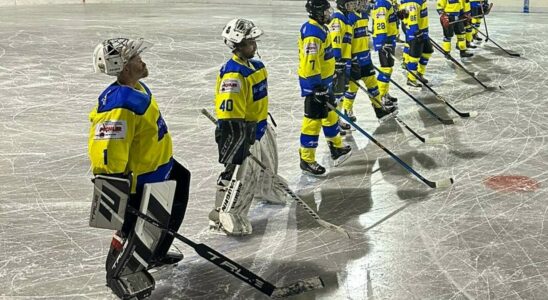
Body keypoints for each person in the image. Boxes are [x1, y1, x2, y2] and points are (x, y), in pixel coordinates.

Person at [90, 38, 191, 299]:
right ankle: (119, 275)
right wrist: (116, 190)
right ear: (123, 67)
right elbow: (107, 150)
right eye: (136, 58)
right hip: (141, 180)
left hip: (161, 166)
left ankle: (155, 252)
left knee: (170, 210)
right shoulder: (119, 104)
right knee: (132, 229)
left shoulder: (138, 88)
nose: (141, 60)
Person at [208, 18, 288, 236]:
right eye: (248, 43)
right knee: (239, 173)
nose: (253, 46)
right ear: (236, 45)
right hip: (245, 132)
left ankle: (267, 189)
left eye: (254, 41)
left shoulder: (256, 66)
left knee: (268, 165)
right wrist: (238, 139)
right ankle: (226, 213)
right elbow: (230, 114)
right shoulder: (233, 75)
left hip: (261, 126)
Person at [298, 0, 353, 176]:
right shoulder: (312, 33)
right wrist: (316, 87)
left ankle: (336, 146)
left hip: (324, 82)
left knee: (331, 115)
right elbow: (310, 63)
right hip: (315, 86)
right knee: (313, 122)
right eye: (326, 12)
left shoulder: (321, 27)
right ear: (317, 12)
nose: (329, 14)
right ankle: (307, 159)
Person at [341, 0, 399, 122]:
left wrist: (376, 45)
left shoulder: (364, 16)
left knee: (373, 85)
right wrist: (349, 59)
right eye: (361, 2)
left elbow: (364, 38)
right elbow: (346, 42)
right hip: (355, 61)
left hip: (366, 58)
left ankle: (379, 110)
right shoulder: (349, 19)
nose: (365, 4)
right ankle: (347, 110)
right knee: (352, 88)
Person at [372, 0, 400, 108]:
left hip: (389, 39)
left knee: (389, 68)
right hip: (385, 40)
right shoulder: (382, 3)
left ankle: (385, 93)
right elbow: (381, 23)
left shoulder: (386, 2)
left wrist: (397, 15)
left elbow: (388, 19)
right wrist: (381, 41)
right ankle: (381, 96)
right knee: (385, 68)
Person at [400, 0, 434, 87]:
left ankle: (419, 73)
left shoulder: (420, 1)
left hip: (423, 31)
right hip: (416, 33)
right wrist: (416, 32)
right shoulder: (412, 3)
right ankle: (411, 79)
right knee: (414, 57)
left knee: (428, 51)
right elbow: (412, 20)